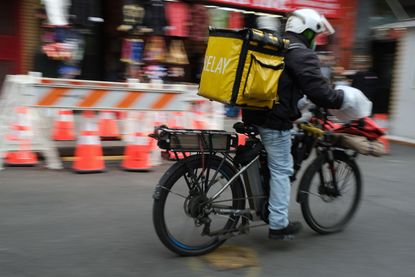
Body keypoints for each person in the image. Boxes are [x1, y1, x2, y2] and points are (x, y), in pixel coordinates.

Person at [242, 9, 369, 240]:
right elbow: (320, 92)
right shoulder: (301, 53)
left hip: (253, 113)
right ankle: (278, 224)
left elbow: (284, 84)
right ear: (307, 32)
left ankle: (264, 203)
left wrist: (299, 101)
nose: (315, 41)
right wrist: (343, 99)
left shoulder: (277, 45)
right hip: (274, 119)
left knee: (270, 161)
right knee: (282, 168)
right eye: (315, 36)